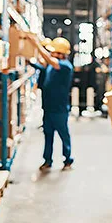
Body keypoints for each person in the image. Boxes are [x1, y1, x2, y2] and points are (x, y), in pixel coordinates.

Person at [28, 36, 74, 171]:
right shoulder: (51, 66)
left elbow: (50, 61)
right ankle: (47, 160)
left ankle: (68, 159)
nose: (51, 53)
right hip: (48, 108)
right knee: (48, 135)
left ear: (61, 53)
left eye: (54, 51)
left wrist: (37, 45)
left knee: (63, 135)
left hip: (59, 109)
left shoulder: (65, 66)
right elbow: (43, 66)